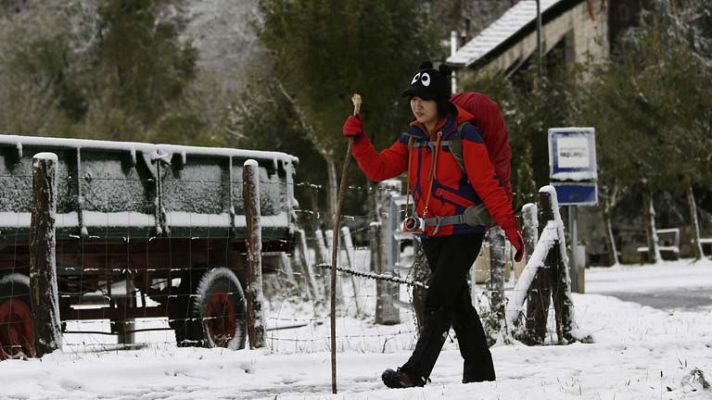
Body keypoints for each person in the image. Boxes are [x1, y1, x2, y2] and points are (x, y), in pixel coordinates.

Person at [341, 61, 524, 388]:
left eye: (424, 98)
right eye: (413, 98)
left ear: (441, 101)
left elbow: (487, 185)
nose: (417, 104)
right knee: (458, 304)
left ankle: (415, 372)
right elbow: (379, 168)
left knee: (438, 298)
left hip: (465, 230)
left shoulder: (465, 135)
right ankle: (482, 375)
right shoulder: (412, 138)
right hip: (432, 232)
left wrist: (510, 227)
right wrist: (360, 142)